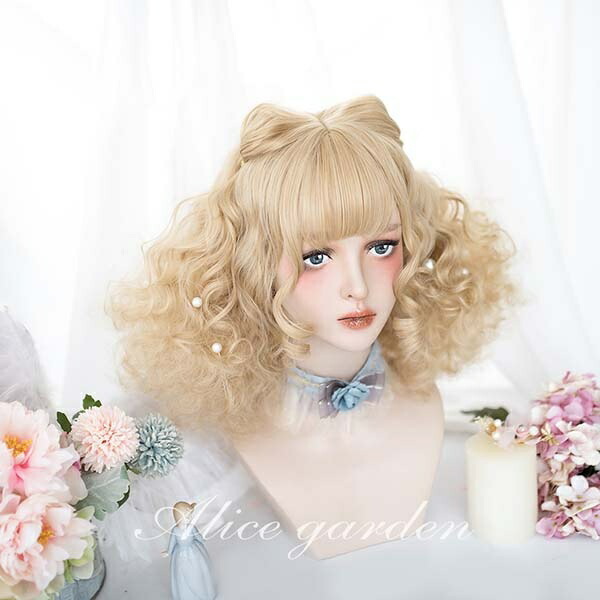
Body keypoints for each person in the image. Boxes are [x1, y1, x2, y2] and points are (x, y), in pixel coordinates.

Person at [166, 501, 218, 600]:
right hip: (180, 556)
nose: (189, 519)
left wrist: (202, 540)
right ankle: (186, 595)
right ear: (178, 517)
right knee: (182, 575)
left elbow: (198, 536)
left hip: (194, 552)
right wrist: (168, 551)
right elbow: (172, 543)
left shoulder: (192, 528)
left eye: (190, 516)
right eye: (187, 517)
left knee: (198, 571)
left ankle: (204, 592)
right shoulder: (175, 531)